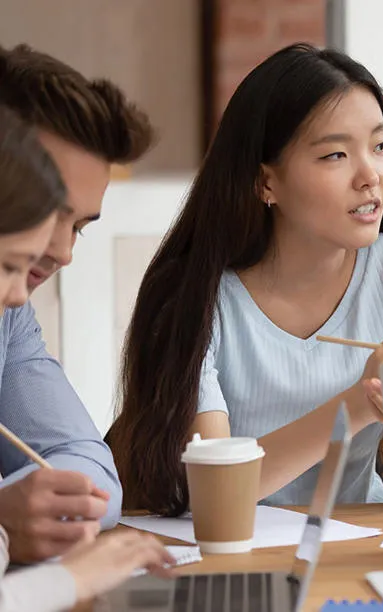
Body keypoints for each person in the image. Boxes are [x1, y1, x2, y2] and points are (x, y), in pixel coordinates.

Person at [108, 43, 383, 517]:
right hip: (229, 547)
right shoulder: (194, 295)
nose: (371, 176)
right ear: (265, 183)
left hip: (358, 542)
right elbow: (216, 490)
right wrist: (362, 402)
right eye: (335, 154)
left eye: (380, 146)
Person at [0, 106, 173, 612]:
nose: (62, 252)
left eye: (78, 225)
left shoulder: (10, 313)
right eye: (51, 212)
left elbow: (93, 471)